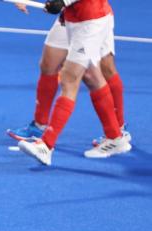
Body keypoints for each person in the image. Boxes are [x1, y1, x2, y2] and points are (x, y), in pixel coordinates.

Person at [7, 1, 131, 159]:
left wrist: (63, 1)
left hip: (89, 19)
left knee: (70, 78)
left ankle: (45, 145)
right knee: (89, 75)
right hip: (75, 17)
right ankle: (115, 137)